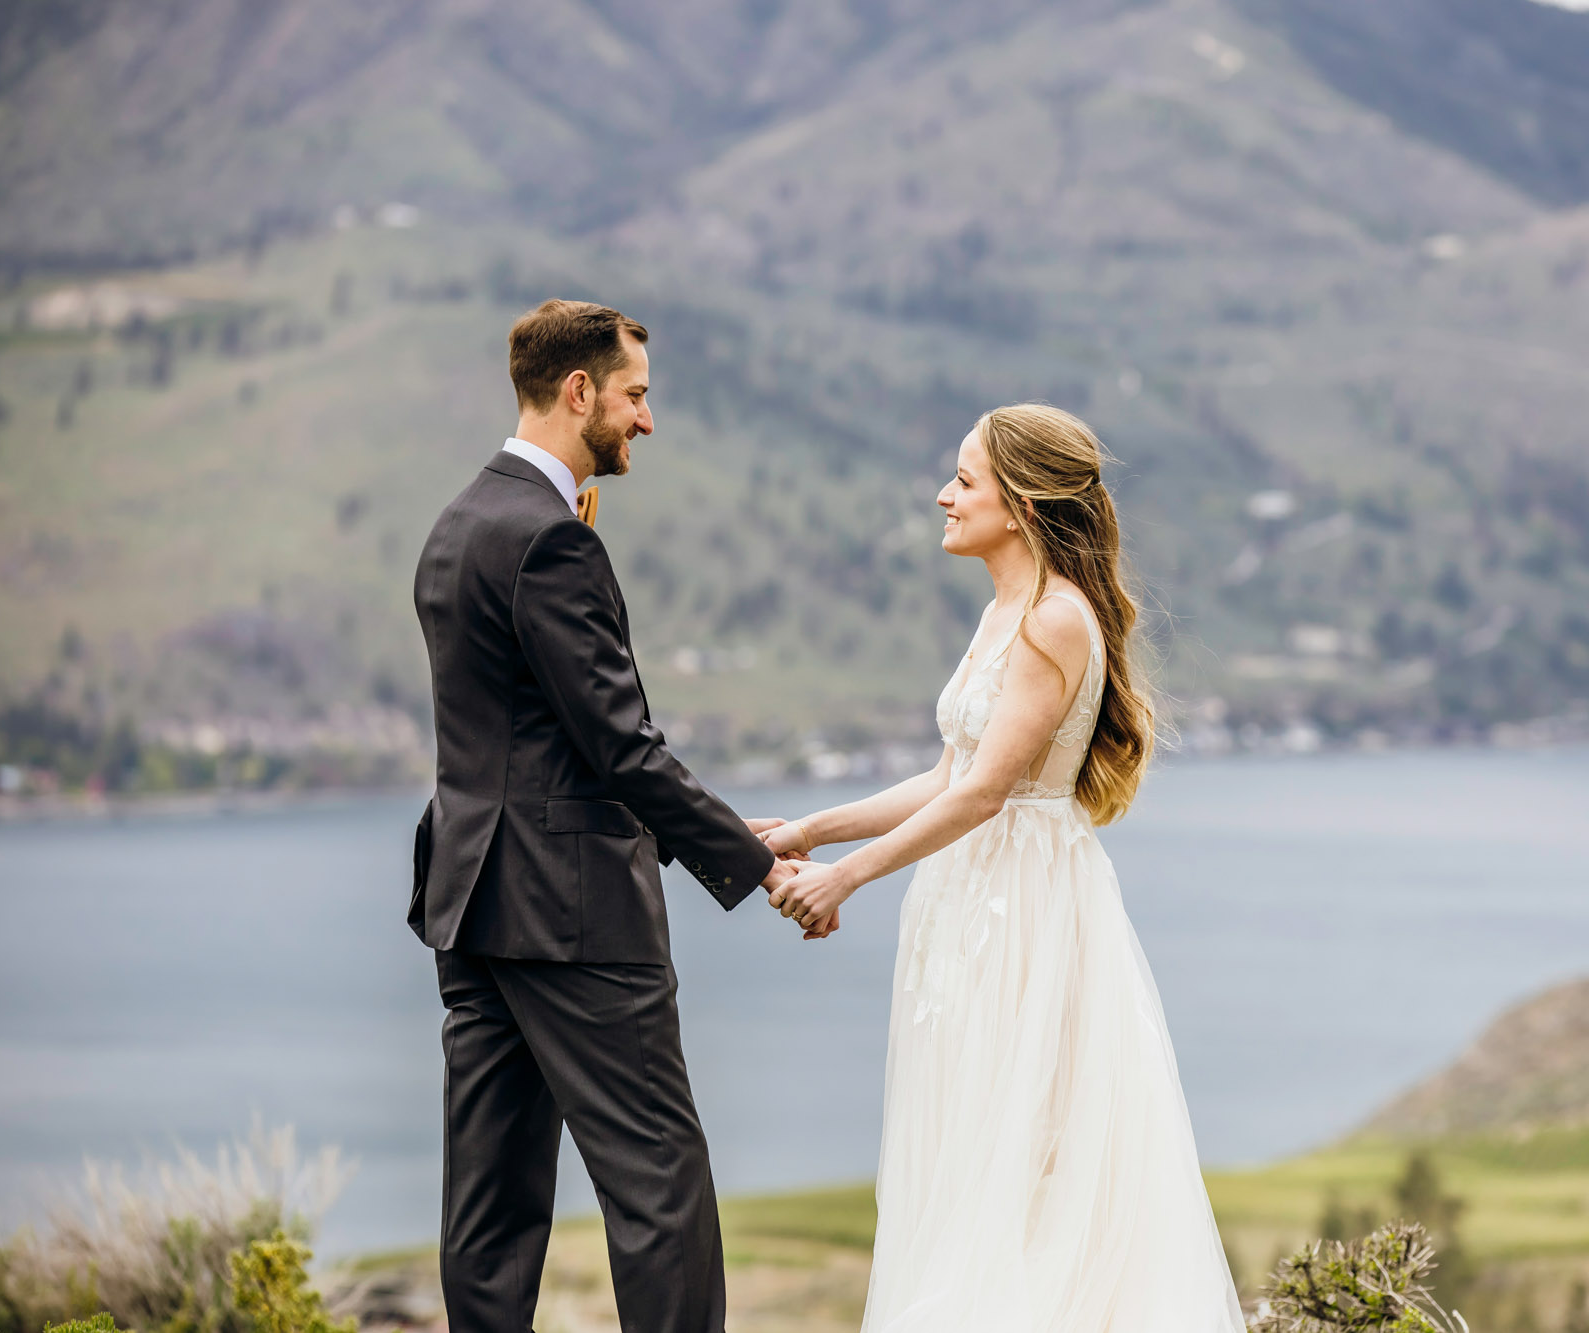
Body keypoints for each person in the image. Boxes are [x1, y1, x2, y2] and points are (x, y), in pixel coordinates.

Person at [759, 403, 1248, 1332]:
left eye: (966, 480)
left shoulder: (1056, 621)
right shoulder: (1006, 611)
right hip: (968, 895)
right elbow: (948, 772)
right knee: (970, 1129)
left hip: (1022, 902)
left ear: (1020, 504)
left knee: (1027, 1143)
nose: (945, 496)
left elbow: (985, 793)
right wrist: (809, 830)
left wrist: (846, 877)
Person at [408, 298, 812, 1333]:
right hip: (571, 908)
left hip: (472, 901)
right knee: (658, 1183)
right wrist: (750, 858)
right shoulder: (549, 541)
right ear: (578, 390)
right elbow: (617, 746)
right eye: (634, 395)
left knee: (490, 1200)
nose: (645, 419)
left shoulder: (459, 522)